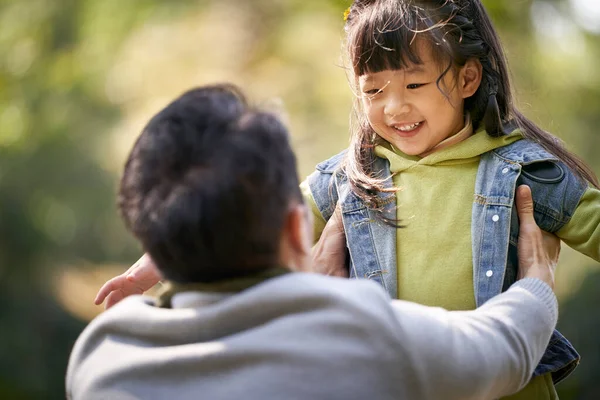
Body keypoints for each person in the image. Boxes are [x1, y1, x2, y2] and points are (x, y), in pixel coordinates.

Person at [96, 1, 600, 397]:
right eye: (373, 90)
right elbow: (243, 219)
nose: (394, 106)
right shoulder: (352, 176)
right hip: (390, 385)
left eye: (415, 83)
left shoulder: (524, 171)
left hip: (505, 388)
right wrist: (150, 269)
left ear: (468, 78)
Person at [69, 84, 561, 400]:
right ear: (292, 227)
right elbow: (500, 351)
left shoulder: (102, 356)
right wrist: (535, 284)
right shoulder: (362, 335)